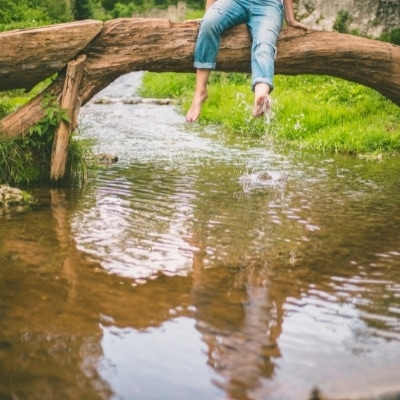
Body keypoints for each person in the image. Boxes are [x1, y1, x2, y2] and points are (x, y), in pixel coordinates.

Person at [185, 0, 308, 123]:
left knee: (264, 43)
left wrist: (290, 18)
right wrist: (209, 14)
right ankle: (200, 91)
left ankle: (261, 96)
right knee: (209, 24)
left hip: (268, 5)